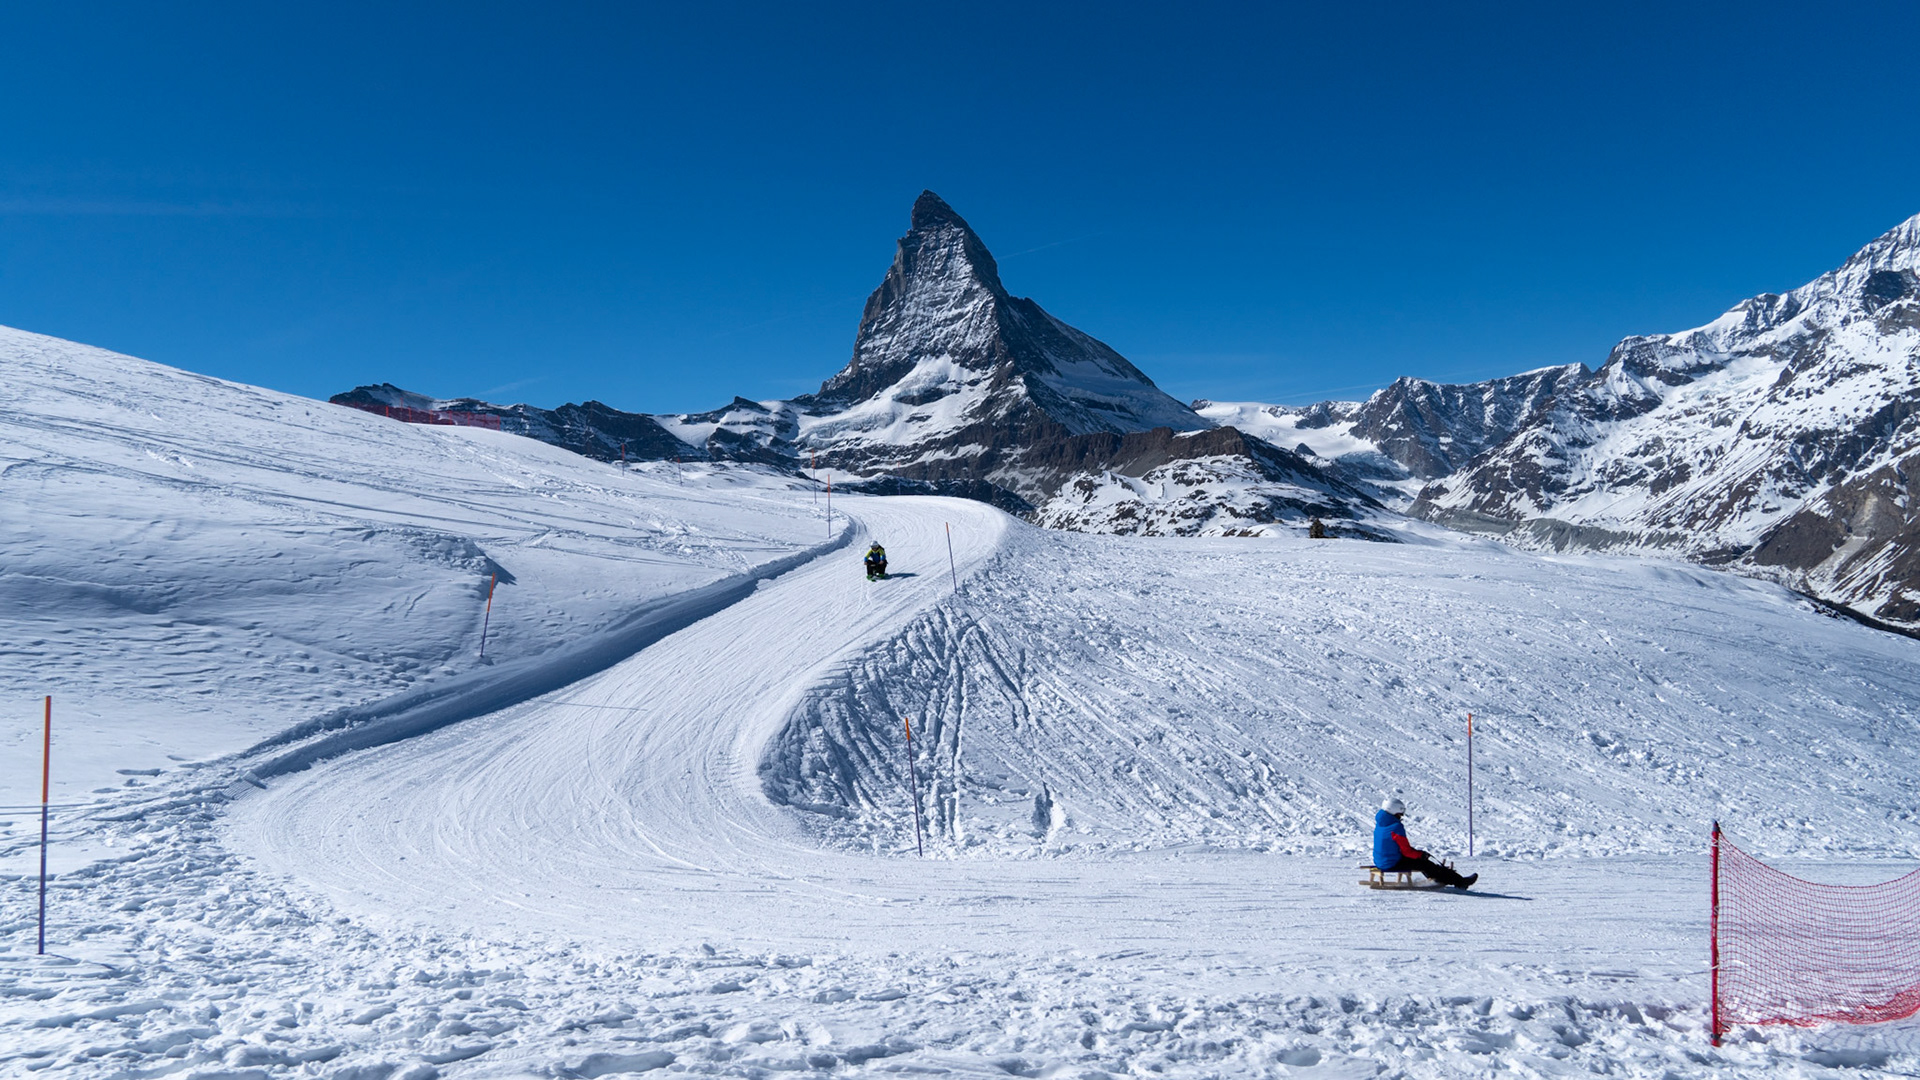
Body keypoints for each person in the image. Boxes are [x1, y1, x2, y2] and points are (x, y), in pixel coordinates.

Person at [1373, 797, 1477, 889]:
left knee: (1422, 862)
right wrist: (1421, 854)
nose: (1401, 816)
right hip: (1391, 862)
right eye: (1400, 813)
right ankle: (1459, 882)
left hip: (1381, 860)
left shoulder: (1381, 824)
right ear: (1394, 811)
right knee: (1426, 864)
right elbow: (1407, 851)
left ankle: (1440, 878)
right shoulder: (1396, 827)